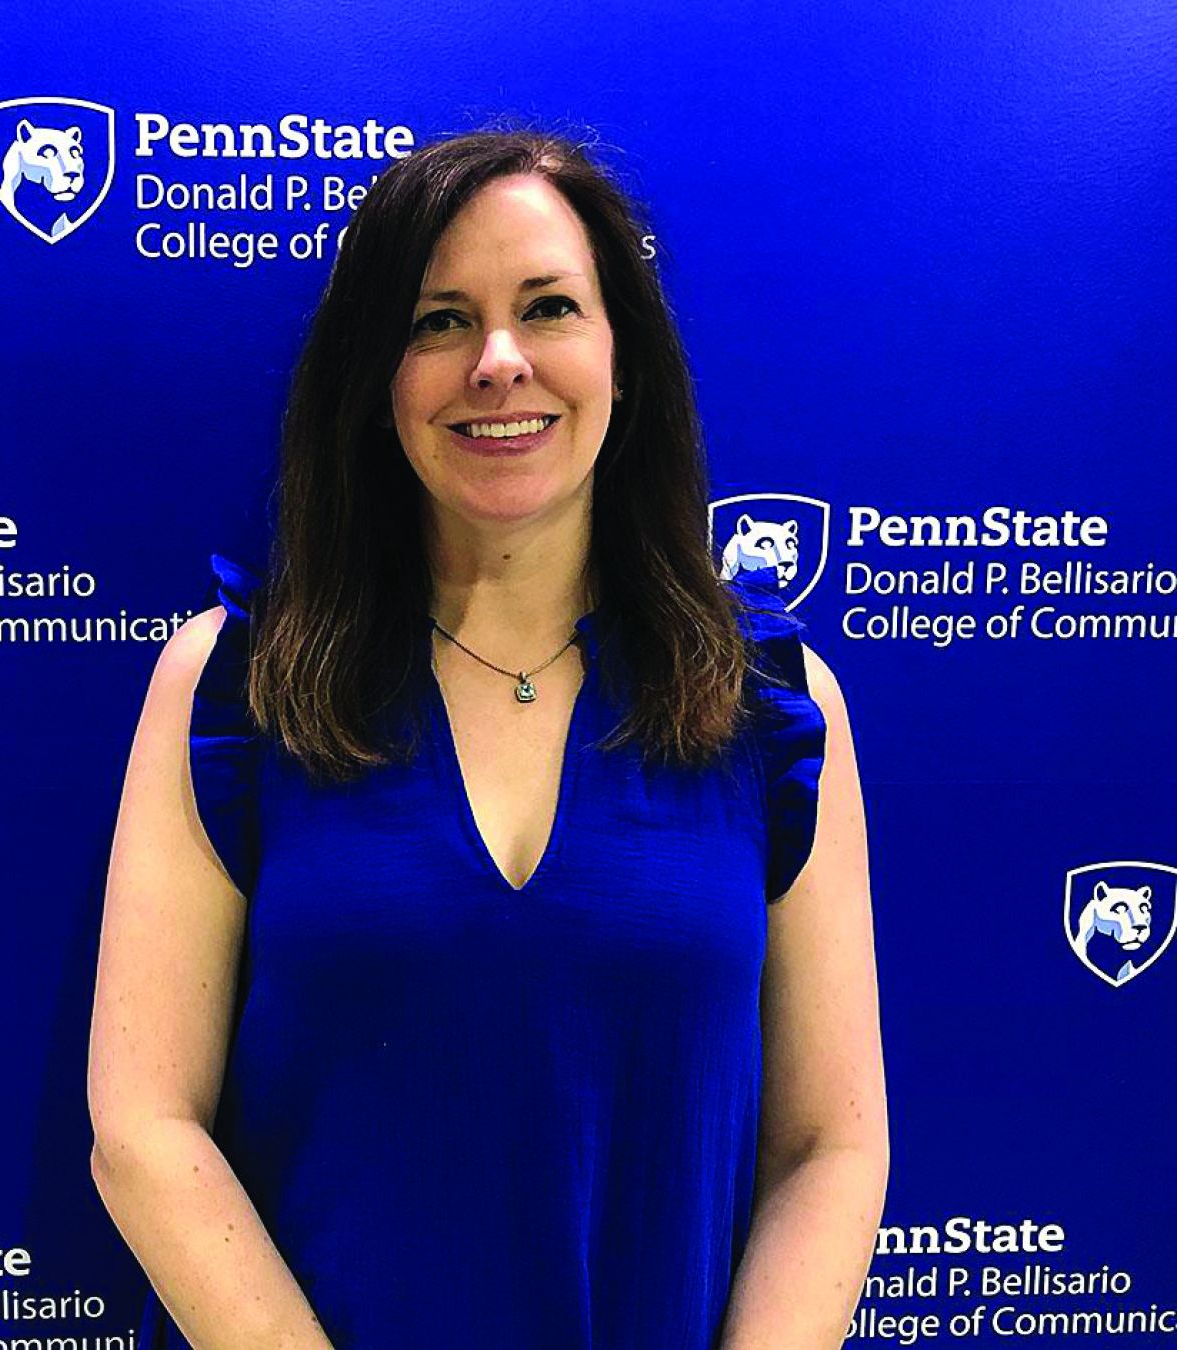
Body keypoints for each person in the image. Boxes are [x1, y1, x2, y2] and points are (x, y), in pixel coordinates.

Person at [87, 127, 887, 1350]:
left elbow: (829, 1146)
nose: (499, 362)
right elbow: (144, 1128)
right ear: (378, 379)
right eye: (438, 321)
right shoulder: (233, 688)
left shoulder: (771, 706)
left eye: (550, 307)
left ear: (625, 361)